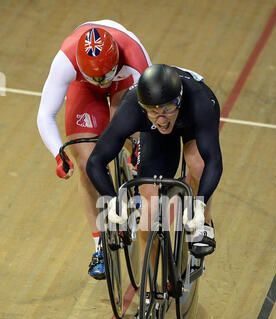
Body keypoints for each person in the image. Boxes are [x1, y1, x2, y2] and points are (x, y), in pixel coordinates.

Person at [37, 20, 151, 279]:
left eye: (104, 75)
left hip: (124, 83)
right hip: (83, 89)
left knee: (134, 136)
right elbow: (45, 114)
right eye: (95, 77)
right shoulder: (66, 60)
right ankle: (100, 246)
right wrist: (59, 154)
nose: (101, 81)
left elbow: (152, 113)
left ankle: (135, 190)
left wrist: (140, 147)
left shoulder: (134, 56)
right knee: (87, 167)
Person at [86, 64, 223, 262]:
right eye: (153, 111)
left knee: (197, 163)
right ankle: (149, 289)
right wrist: (113, 200)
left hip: (190, 123)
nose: (161, 118)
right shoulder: (131, 108)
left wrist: (199, 204)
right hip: (155, 135)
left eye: (167, 109)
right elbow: (95, 161)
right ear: (143, 107)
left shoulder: (200, 101)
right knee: (149, 203)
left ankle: (203, 224)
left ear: (179, 100)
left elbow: (214, 161)